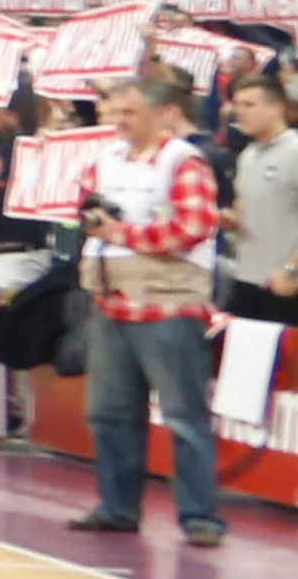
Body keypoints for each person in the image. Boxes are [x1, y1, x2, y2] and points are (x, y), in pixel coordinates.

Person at [65, 69, 230, 550]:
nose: (117, 119)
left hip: (168, 306)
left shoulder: (184, 161)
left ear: (163, 114)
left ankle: (200, 516)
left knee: (184, 416)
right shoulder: (107, 158)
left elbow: (193, 228)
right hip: (112, 302)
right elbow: (87, 209)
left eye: (128, 111)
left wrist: (121, 234)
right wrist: (94, 219)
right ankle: (117, 508)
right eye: (114, 110)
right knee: (109, 414)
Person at [226, 68, 298, 332]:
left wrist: (291, 271)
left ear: (277, 108)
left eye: (249, 105)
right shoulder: (247, 154)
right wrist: (229, 219)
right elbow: (243, 209)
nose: (240, 112)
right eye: (237, 105)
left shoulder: (294, 151)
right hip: (247, 279)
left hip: (285, 284)